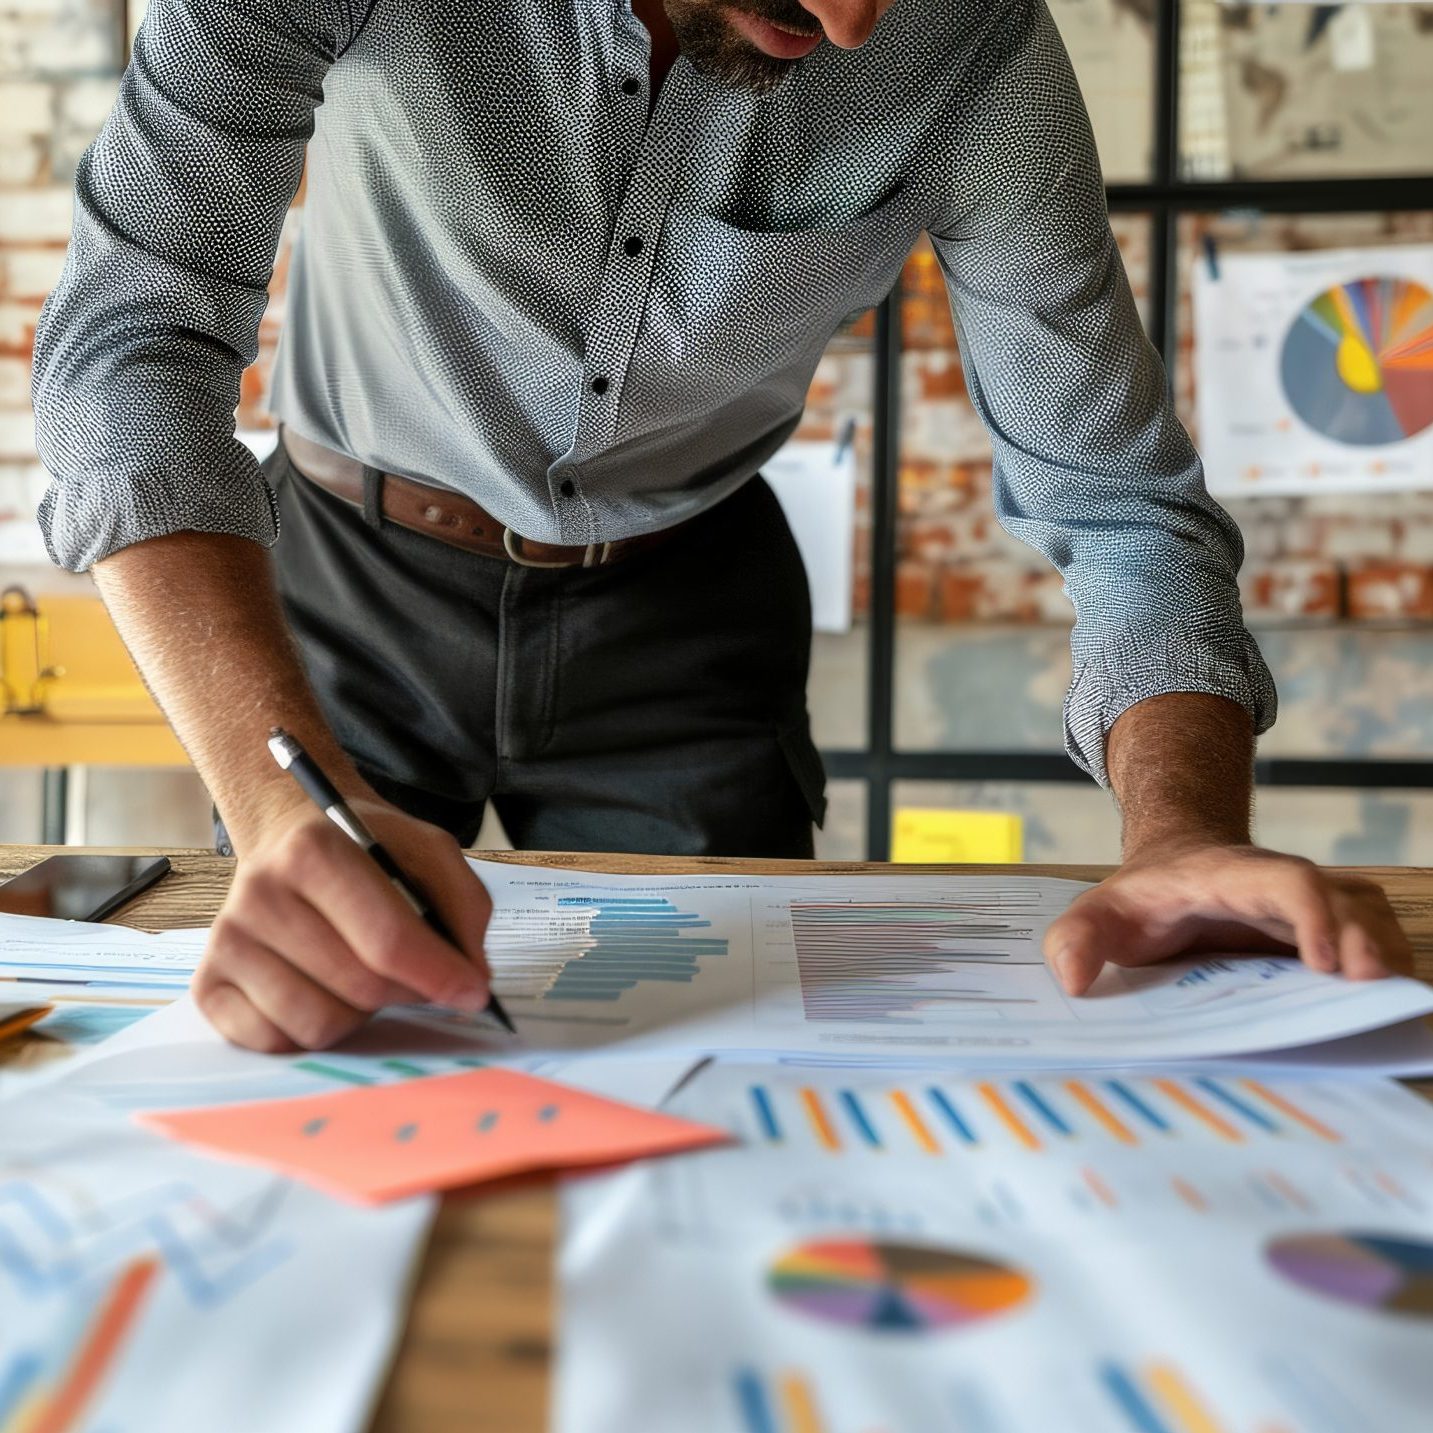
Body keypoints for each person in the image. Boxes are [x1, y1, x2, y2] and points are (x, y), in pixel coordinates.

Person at [30, 0, 1411, 1053]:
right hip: (343, 580)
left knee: (729, 1059)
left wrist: (1179, 834)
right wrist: (276, 800)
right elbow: (130, 347)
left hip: (684, 609)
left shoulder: (971, 44)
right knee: (326, 1018)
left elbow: (1118, 498)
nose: (857, 23)